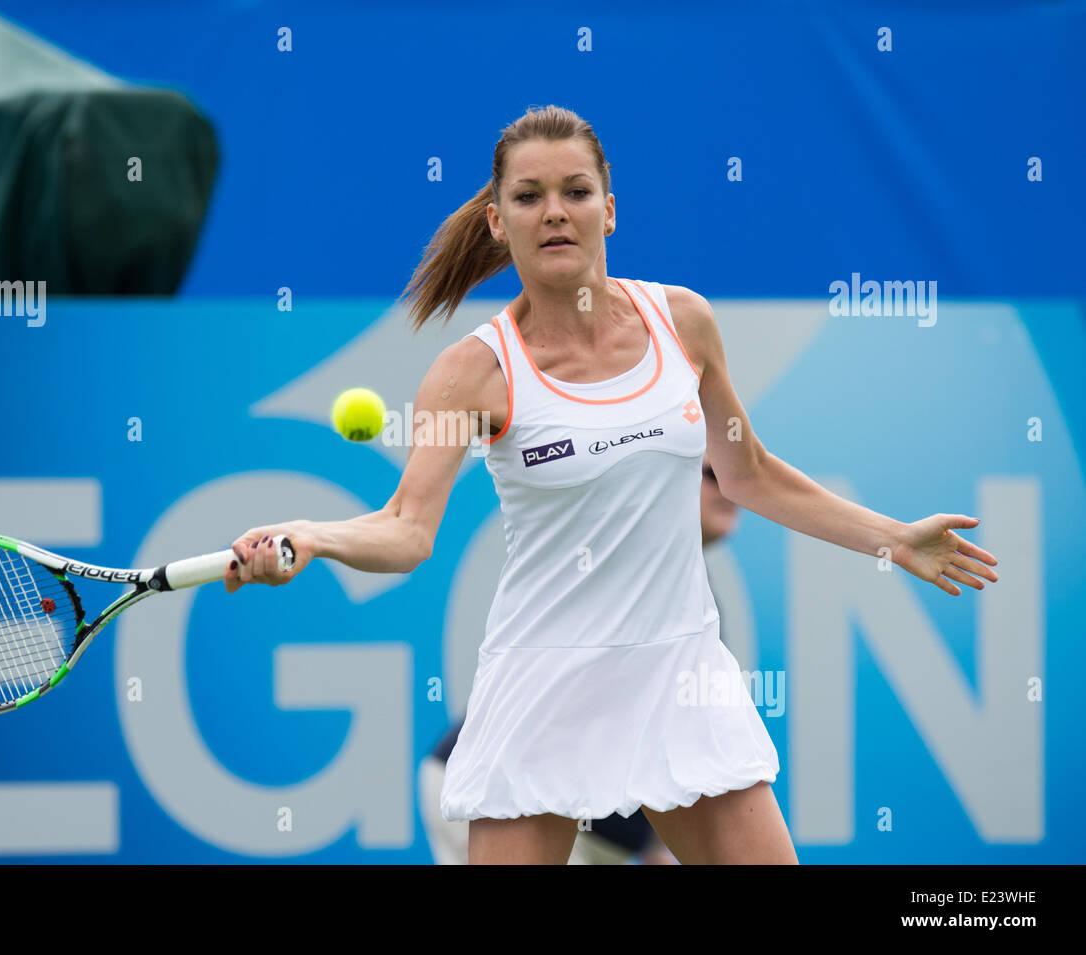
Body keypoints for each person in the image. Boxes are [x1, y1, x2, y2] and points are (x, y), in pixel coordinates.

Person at [220, 105, 1000, 865]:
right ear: (498, 222)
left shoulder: (682, 323)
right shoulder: (473, 372)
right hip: (543, 684)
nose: (554, 213)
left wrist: (893, 538)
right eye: (528, 197)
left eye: (576, 191)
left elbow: (749, 473)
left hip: (678, 675)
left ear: (610, 210)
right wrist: (314, 537)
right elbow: (406, 528)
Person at [419, 453, 737, 865]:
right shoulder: (626, 565)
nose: (729, 489)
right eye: (713, 474)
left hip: (579, 827)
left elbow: (663, 738)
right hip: (514, 801)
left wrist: (656, 847)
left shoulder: (684, 589)